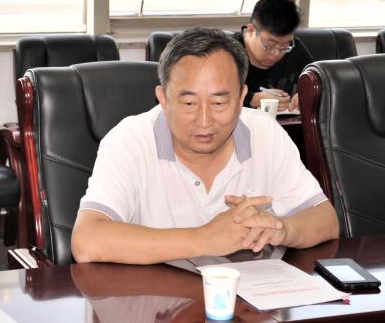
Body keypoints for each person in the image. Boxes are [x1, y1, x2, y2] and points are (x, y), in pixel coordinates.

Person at [71, 27, 338, 264]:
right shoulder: (129, 141)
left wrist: (281, 228)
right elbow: (87, 240)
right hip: (161, 299)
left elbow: (325, 220)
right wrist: (204, 238)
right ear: (163, 99)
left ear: (242, 97)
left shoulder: (265, 133)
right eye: (189, 103)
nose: (204, 120)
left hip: (255, 297)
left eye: (219, 102)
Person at [233, 0, 311, 112]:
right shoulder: (227, 52)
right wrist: (252, 99)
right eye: (270, 46)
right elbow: (211, 95)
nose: (276, 54)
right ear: (251, 30)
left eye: (284, 46)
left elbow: (321, 80)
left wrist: (307, 94)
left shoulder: (295, 48)